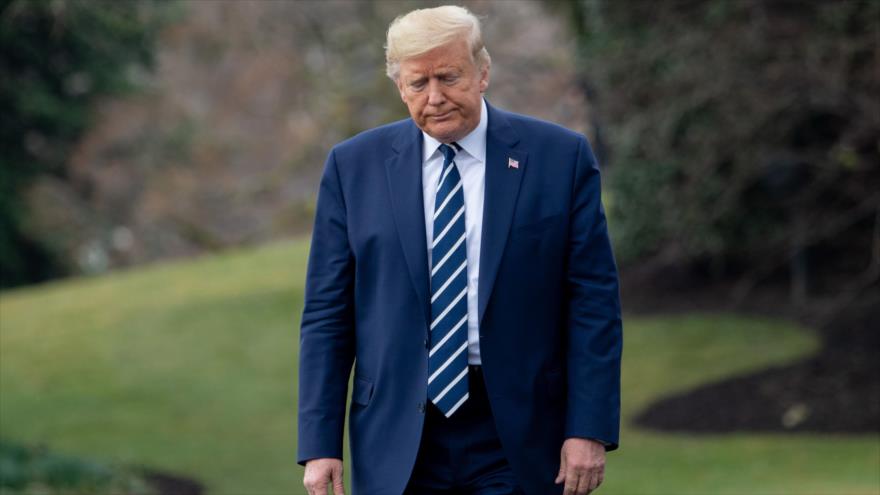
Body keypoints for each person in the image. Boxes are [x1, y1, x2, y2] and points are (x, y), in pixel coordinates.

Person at [297, 5, 622, 495]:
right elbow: (326, 315)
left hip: (521, 430)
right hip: (396, 433)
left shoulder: (559, 158)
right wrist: (320, 444)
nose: (435, 98)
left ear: (482, 72)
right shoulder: (352, 168)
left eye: (449, 77)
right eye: (417, 83)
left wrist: (588, 427)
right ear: (399, 88)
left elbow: (593, 304)